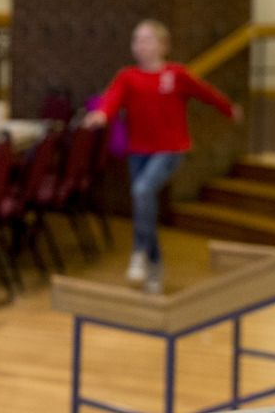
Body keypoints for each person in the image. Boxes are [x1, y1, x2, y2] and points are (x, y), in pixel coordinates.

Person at [84, 19, 241, 294]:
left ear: (162, 45)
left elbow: (207, 94)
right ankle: (155, 265)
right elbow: (112, 99)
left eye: (146, 40)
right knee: (145, 203)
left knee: (142, 190)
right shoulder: (127, 76)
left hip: (170, 150)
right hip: (138, 151)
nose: (140, 45)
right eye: (136, 40)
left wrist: (228, 110)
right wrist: (101, 114)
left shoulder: (176, 74)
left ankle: (138, 252)